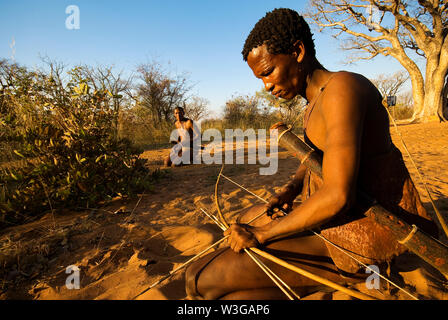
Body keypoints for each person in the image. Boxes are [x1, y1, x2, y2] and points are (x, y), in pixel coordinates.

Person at [184, 8, 439, 300]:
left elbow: (338, 196)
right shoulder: (313, 102)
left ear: (298, 51)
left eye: (268, 72)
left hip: (363, 230)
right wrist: (291, 188)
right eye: (260, 78)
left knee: (199, 279)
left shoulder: (343, 90)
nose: (266, 86)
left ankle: (363, 275)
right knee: (244, 219)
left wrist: (263, 235)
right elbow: (319, 158)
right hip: (337, 219)